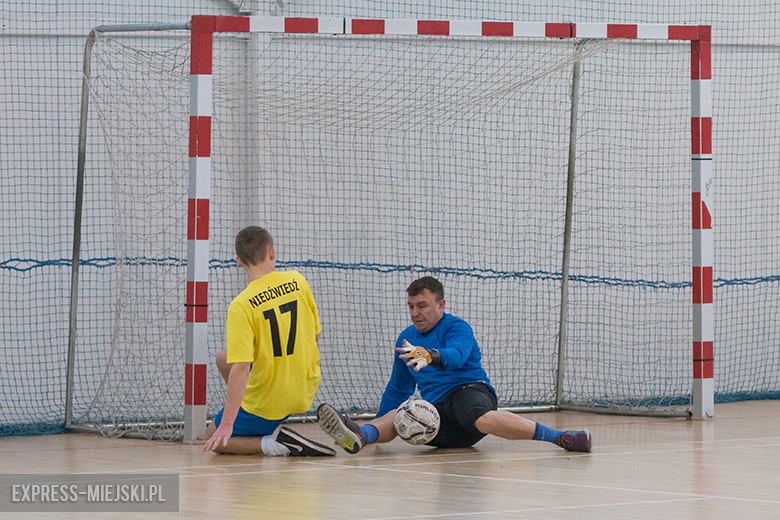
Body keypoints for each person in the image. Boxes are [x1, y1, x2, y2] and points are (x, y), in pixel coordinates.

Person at [317, 276, 591, 454]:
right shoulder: (405, 337)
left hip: (468, 392)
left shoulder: (457, 327)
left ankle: (561, 437)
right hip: (437, 415)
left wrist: (431, 356)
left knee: (480, 417)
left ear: (441, 304)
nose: (415, 313)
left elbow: (457, 355)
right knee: (402, 413)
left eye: (422, 305)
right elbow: (398, 389)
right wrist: (380, 426)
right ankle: (361, 436)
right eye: (411, 306)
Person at [203, 226, 335, 457]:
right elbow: (315, 337)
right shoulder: (298, 280)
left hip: (272, 400)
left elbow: (243, 369)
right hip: (304, 388)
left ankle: (278, 443)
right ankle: (258, 422)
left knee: (213, 439)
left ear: (239, 261)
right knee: (223, 359)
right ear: (272, 252)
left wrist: (226, 425)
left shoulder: (241, 305)